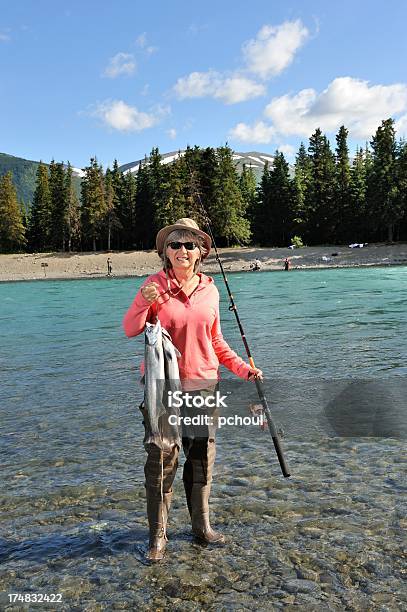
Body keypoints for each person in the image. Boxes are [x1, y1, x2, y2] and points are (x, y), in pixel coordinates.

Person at [122, 218, 262, 562]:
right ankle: (157, 537)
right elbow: (130, 329)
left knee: (200, 458)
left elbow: (215, 340)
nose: (182, 250)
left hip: (203, 386)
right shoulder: (153, 285)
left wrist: (244, 369)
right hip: (162, 389)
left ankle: (202, 527)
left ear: (200, 252)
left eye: (189, 245)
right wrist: (143, 301)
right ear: (164, 252)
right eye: (175, 244)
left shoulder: (211, 290)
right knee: (160, 459)